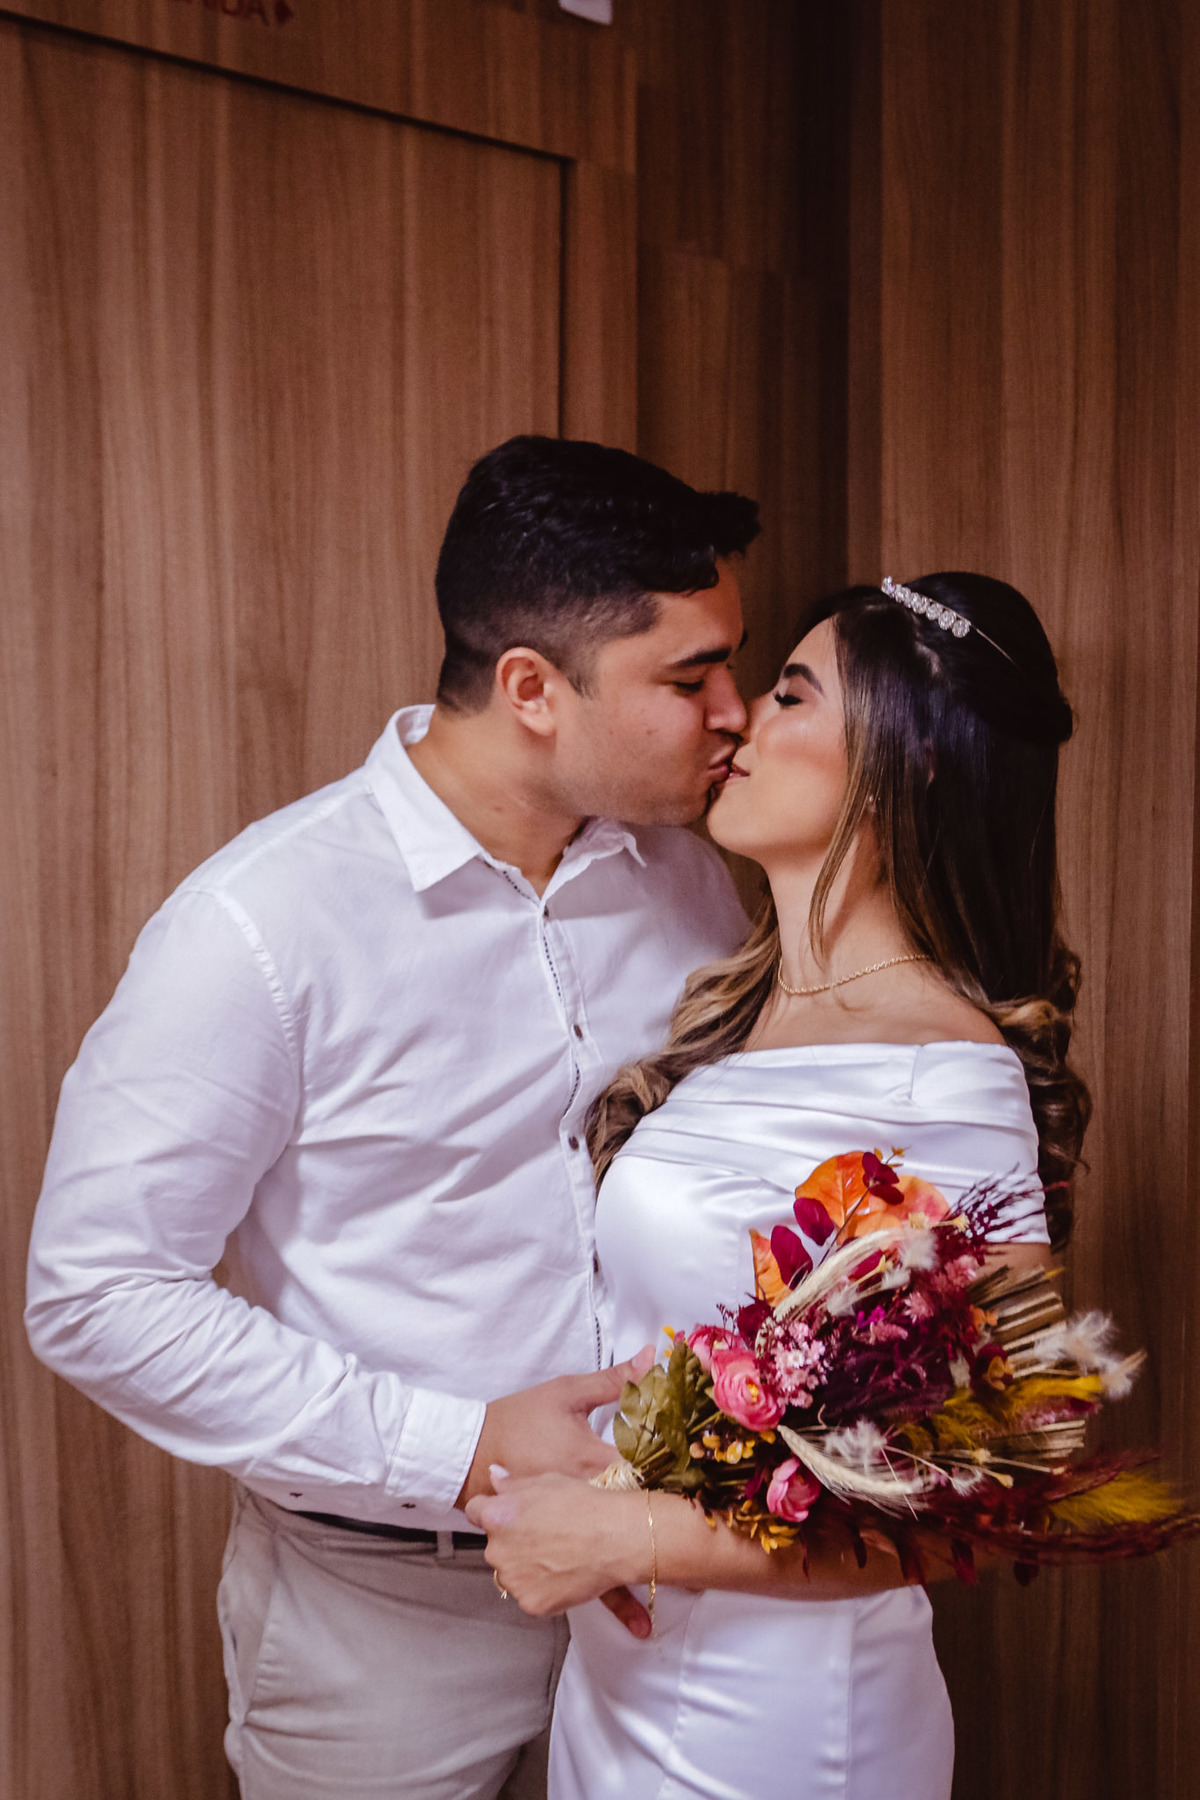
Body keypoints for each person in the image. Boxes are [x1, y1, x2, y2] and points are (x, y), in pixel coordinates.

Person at [24, 436, 761, 1800]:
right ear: (531, 689)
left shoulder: (697, 884)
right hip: (385, 1621)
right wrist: (459, 1448)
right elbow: (97, 1293)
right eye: (689, 678)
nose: (738, 713)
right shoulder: (260, 925)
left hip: (677, 1586)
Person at [466, 572, 1091, 1800]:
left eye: (793, 693)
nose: (741, 716)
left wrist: (631, 1532)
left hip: (784, 1718)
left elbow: (1005, 1472)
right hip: (627, 1676)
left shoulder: (942, 1076)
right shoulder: (738, 1009)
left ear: (909, 762)